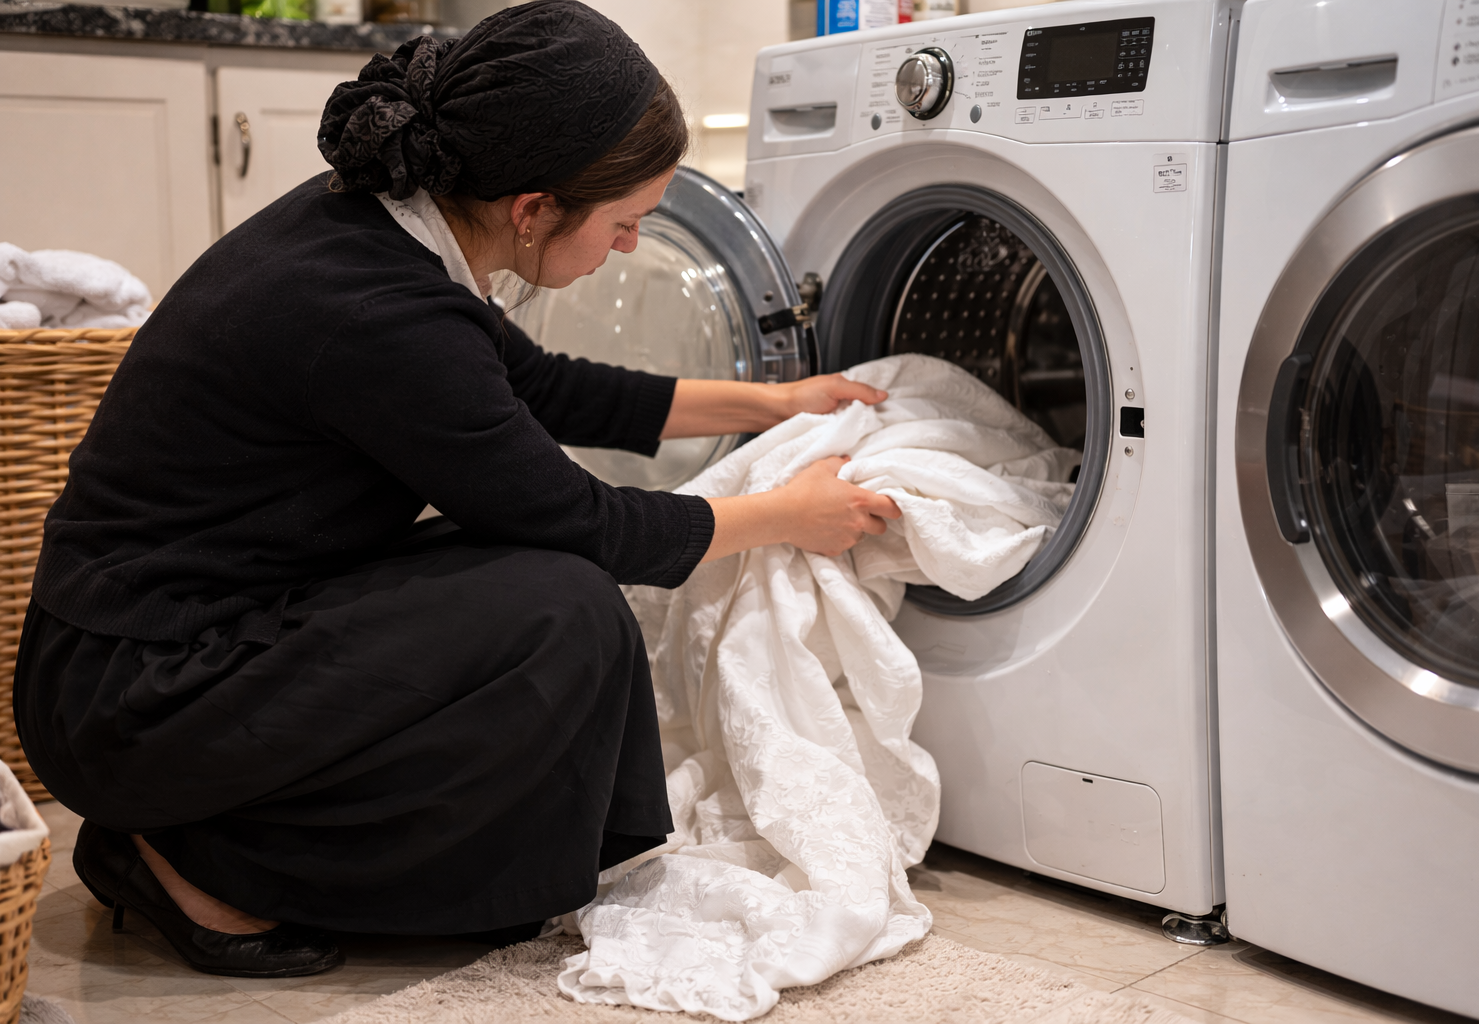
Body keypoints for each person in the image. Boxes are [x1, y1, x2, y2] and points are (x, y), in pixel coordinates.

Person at [11, 0, 900, 980]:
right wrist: (791, 516)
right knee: (563, 607)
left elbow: (544, 386)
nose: (629, 248)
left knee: (551, 597)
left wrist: (773, 401)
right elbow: (581, 521)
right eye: (622, 224)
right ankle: (196, 852)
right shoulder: (379, 309)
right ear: (532, 209)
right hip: (137, 695)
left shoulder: (387, 233)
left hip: (196, 635)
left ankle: (206, 827)